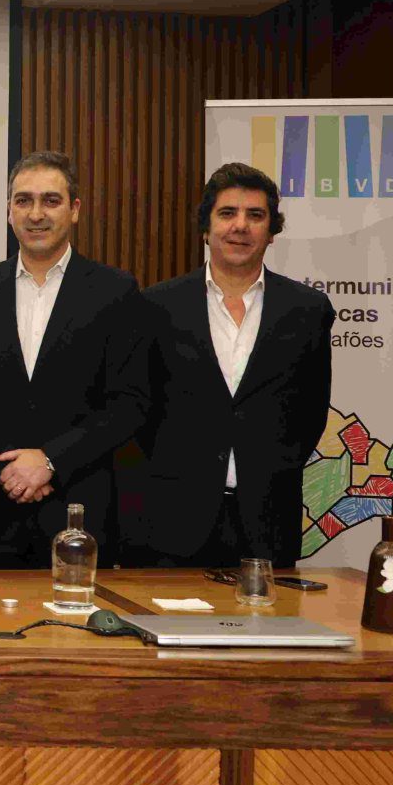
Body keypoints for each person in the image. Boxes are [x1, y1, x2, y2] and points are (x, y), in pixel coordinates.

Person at [0, 151, 146, 569]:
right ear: (8, 210)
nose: (36, 213)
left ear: (74, 210)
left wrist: (51, 461)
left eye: (50, 201)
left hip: (81, 508)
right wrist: (14, 470)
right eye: (23, 201)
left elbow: (130, 403)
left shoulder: (115, 291)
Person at [130, 163, 335, 568]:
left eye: (255, 216)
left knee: (266, 630)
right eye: (227, 214)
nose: (240, 226)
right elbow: (140, 410)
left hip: (267, 524)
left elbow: (310, 413)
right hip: (170, 523)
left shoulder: (308, 311)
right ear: (205, 228)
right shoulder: (155, 307)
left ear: (271, 232)